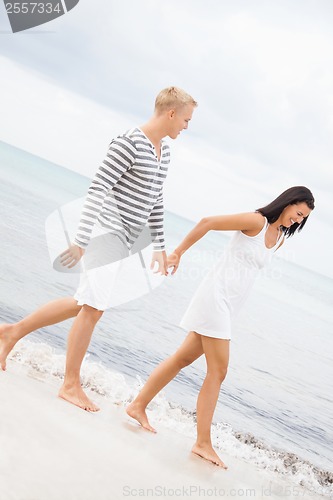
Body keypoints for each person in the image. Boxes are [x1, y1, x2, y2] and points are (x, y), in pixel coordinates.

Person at [0, 86, 198, 412]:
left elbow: (156, 201)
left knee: (83, 303)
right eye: (186, 120)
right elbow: (98, 189)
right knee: (93, 308)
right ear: (171, 113)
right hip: (106, 234)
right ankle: (69, 384)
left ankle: (11, 332)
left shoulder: (164, 152)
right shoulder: (128, 142)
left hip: (127, 242)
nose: (186, 127)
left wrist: (161, 247)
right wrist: (80, 240)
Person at [126, 186, 315, 469]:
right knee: (219, 370)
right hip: (215, 297)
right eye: (298, 213)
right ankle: (202, 442)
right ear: (288, 203)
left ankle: (137, 405)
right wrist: (177, 253)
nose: (298, 220)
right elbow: (208, 222)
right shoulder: (256, 221)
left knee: (182, 358)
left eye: (303, 219)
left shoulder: (278, 240)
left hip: (230, 306)